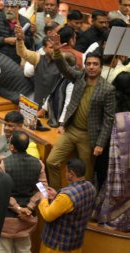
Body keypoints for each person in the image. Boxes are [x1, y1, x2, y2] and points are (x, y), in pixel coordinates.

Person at [46, 35, 115, 190]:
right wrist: (57, 52)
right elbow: (64, 68)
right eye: (88, 64)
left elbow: (108, 119)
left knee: (87, 175)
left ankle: (83, 202)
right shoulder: (79, 77)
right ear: (84, 66)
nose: (91, 67)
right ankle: (56, 195)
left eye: (95, 64)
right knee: (51, 161)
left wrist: (100, 144)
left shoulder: (108, 89)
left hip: (89, 136)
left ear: (100, 67)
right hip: (71, 131)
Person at [91, 71, 130, 232]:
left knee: (103, 180)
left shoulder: (109, 99)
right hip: (125, 155)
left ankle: (102, 214)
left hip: (104, 148)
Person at [0, 131, 47, 253]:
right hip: (27, 219)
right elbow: (43, 189)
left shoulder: (3, 164)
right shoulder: (39, 164)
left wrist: (17, 208)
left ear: (12, 147)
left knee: (3, 249)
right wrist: (29, 208)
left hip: (6, 218)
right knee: (24, 249)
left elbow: (2, 193)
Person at [38, 158, 96, 253]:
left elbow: (47, 215)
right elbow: (73, 208)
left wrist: (43, 198)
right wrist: (56, 196)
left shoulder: (66, 197)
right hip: (75, 244)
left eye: (66, 172)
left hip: (57, 247)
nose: (65, 174)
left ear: (71, 173)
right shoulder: (91, 187)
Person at [15, 24, 60, 107]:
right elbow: (22, 52)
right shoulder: (38, 58)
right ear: (44, 48)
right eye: (51, 47)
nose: (54, 50)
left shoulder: (63, 60)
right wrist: (19, 39)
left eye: (56, 47)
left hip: (55, 104)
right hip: (38, 100)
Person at [0, 1, 33, 65]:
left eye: (12, 7)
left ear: (18, 7)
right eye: (7, 6)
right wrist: (5, 40)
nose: (9, 9)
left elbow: (30, 43)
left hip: (17, 61)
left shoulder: (25, 22)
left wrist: (23, 37)